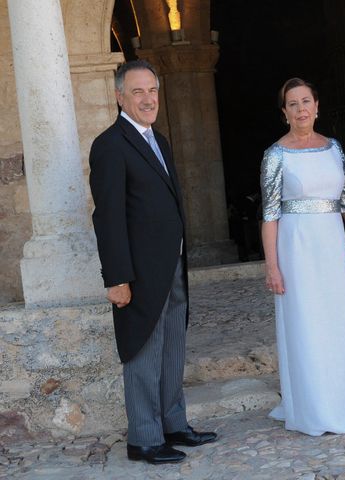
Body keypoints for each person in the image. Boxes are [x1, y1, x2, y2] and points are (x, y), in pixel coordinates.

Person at [89, 60, 217, 464]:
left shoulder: (159, 141)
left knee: (173, 346)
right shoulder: (109, 145)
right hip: (138, 272)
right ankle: (144, 438)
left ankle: (173, 423)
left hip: (172, 264)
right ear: (119, 96)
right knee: (143, 350)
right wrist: (117, 277)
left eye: (152, 91)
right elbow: (107, 216)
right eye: (138, 91)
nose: (148, 99)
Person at [260, 77, 345, 436]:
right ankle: (316, 407)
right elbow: (269, 215)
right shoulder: (275, 155)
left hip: (332, 247)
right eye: (293, 104)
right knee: (308, 323)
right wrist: (272, 267)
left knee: (342, 319)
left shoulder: (333, 148)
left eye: (306, 101)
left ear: (316, 106)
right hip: (296, 250)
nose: (301, 109)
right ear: (284, 113)